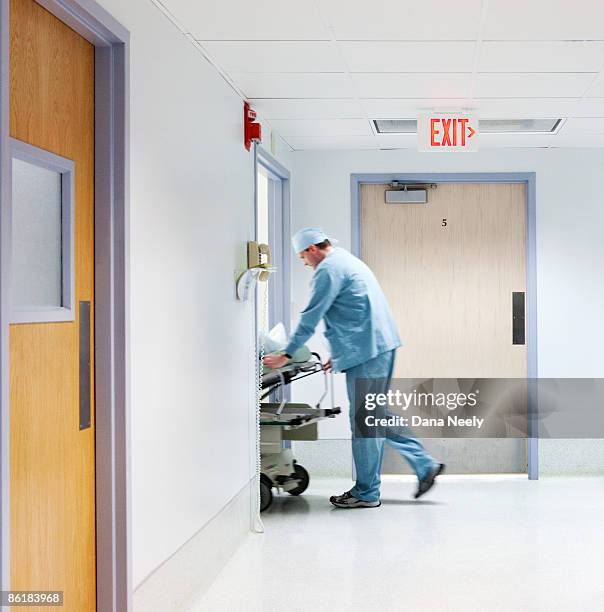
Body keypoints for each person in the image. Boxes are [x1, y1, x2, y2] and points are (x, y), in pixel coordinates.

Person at [263, 227, 444, 508]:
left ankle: (366, 493)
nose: (304, 263)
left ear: (313, 249)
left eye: (302, 257)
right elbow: (356, 308)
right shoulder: (345, 260)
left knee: (364, 422)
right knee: (375, 415)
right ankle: (424, 464)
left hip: (368, 351)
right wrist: (341, 352)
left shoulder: (327, 270)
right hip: (378, 345)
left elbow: (311, 315)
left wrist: (286, 353)